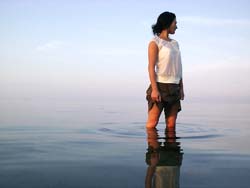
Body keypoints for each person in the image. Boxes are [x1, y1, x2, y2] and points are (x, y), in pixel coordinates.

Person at [146, 11, 185, 129]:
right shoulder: (155, 42)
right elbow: (151, 67)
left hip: (175, 87)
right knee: (152, 124)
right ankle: (153, 147)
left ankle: (171, 148)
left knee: (171, 125)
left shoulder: (175, 43)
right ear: (168, 23)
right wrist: (154, 90)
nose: (176, 26)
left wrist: (181, 88)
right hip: (160, 85)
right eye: (175, 23)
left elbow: (179, 67)